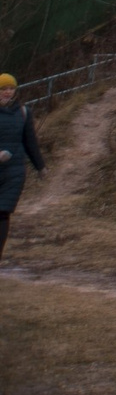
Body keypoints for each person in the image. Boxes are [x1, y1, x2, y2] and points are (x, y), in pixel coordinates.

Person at [0, 72, 44, 260]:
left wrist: (40, 166)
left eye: (11, 88)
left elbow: (30, 142)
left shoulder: (24, 112)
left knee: (2, 212)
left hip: (14, 170)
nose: (8, 92)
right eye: (4, 89)